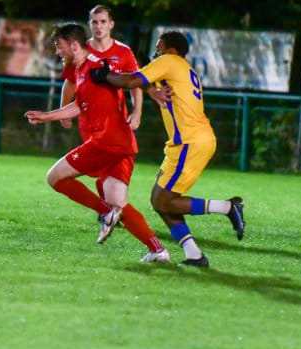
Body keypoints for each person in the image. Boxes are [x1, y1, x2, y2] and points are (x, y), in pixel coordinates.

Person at [89, 30, 245, 267]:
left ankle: (227, 207)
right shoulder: (183, 68)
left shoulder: (169, 61)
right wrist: (151, 88)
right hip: (186, 142)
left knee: (164, 200)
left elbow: (131, 81)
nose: (156, 52)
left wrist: (105, 75)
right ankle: (194, 255)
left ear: (171, 50)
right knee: (160, 201)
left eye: (159, 47)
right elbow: (154, 92)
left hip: (190, 142)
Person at [25, 22, 169, 263]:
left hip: (106, 143)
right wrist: (47, 116)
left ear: (73, 46)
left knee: (54, 177)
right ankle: (158, 250)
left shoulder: (96, 68)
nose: (58, 52)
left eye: (59, 46)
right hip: (123, 145)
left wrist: (146, 97)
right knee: (119, 204)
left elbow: (128, 80)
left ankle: (104, 212)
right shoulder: (82, 70)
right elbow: (80, 105)